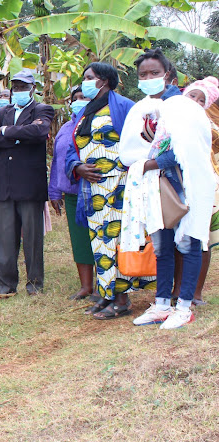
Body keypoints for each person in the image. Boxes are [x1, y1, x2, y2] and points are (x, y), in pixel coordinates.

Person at [65, 62, 153, 319]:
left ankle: (123, 299)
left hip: (119, 185)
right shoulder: (86, 112)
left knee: (118, 240)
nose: (85, 82)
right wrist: (78, 166)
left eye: (90, 77)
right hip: (93, 189)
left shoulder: (124, 106)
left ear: (104, 80)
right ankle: (107, 294)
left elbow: (142, 141)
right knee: (100, 242)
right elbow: (74, 147)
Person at [129, 80, 217, 329]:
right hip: (163, 189)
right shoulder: (164, 122)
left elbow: (175, 154)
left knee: (190, 244)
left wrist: (144, 164)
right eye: (193, 96)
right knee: (163, 246)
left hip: (192, 190)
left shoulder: (200, 127)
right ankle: (162, 305)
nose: (196, 103)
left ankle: (184, 307)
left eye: (202, 101)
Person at [0, 70, 54, 296]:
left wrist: (7, 133)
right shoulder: (4, 111)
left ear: (33, 88)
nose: (19, 91)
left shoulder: (42, 109)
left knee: (33, 240)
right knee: (4, 240)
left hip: (29, 185)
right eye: (16, 87)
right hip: (4, 185)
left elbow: (39, 131)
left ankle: (35, 285)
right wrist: (19, 137)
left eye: (24, 87)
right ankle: (5, 285)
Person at [48, 87, 98, 300]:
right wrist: (54, 192)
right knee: (79, 241)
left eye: (84, 98)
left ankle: (108, 286)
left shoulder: (100, 122)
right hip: (71, 194)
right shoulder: (66, 128)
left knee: (101, 238)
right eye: (75, 99)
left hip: (97, 191)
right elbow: (58, 162)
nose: (79, 101)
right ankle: (86, 286)